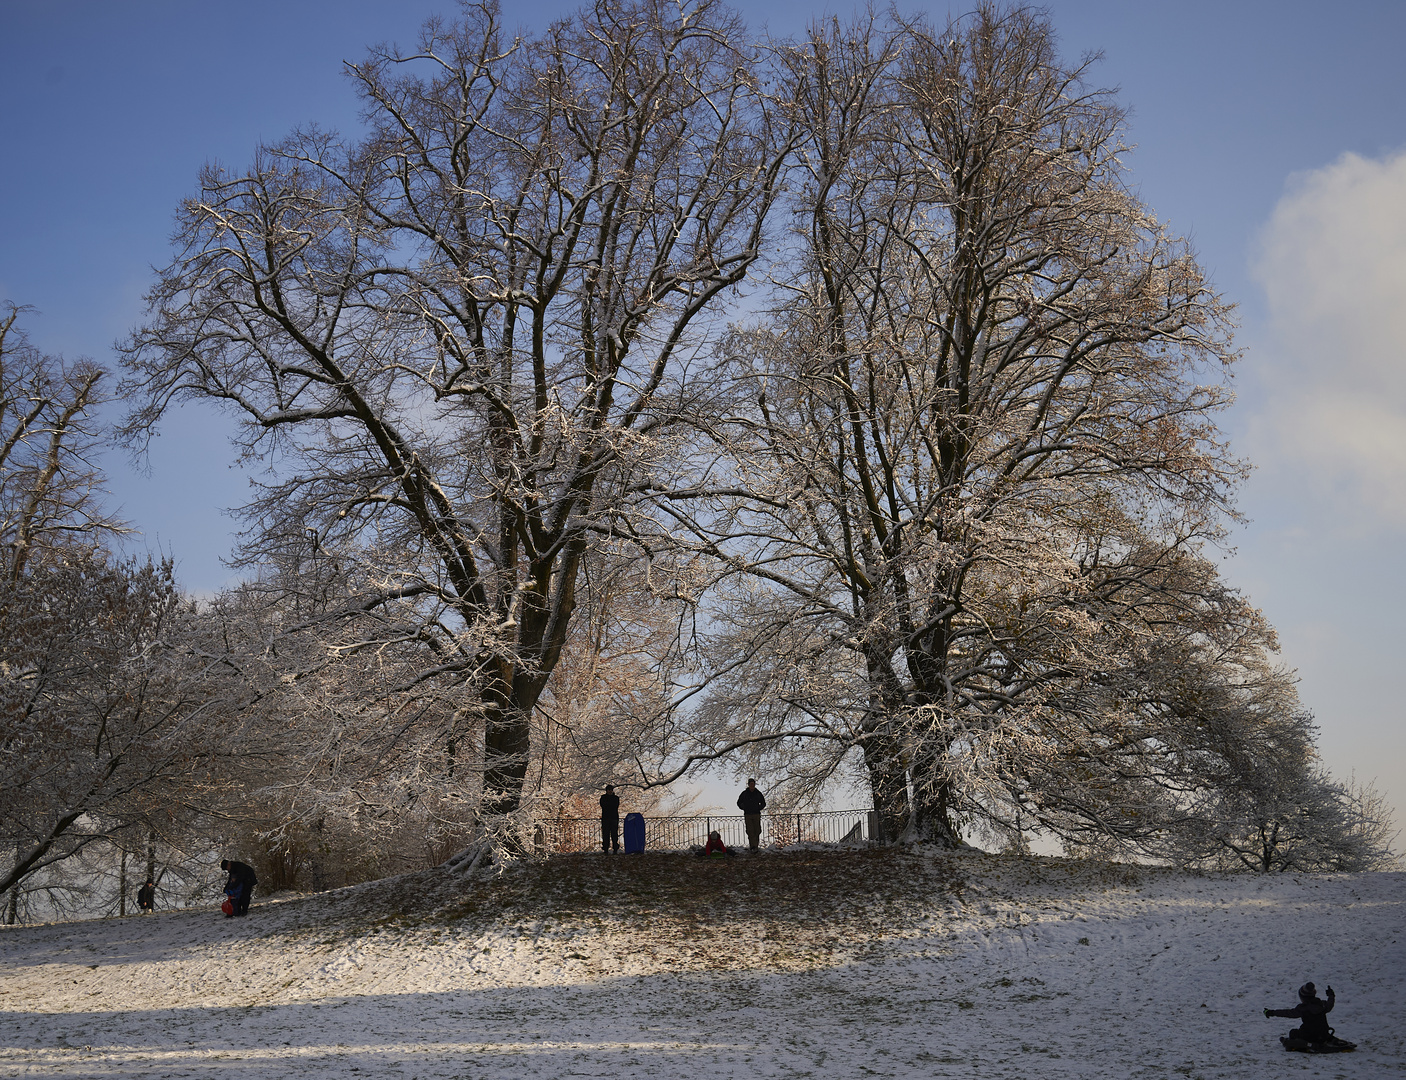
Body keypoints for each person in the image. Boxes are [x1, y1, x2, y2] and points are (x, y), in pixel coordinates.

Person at [1265, 982, 1351, 1050]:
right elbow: (1330, 1004)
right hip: (1323, 1034)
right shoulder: (1322, 1005)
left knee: (1293, 1032)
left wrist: (1272, 1012)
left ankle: (1301, 1044)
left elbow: (1288, 1013)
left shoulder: (1302, 1008)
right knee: (1319, 1031)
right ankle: (1327, 1039)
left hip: (1309, 1036)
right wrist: (1331, 995)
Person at [737, 778, 766, 852]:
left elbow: (763, 803)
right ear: (748, 785)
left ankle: (755, 845)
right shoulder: (744, 794)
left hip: (756, 814)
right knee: (750, 831)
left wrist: (758, 808)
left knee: (757, 830)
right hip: (748, 815)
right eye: (750, 784)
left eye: (753, 784)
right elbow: (739, 802)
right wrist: (744, 808)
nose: (752, 785)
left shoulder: (758, 793)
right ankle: (752, 846)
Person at [600, 784, 621, 854]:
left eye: (610, 790)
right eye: (608, 790)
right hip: (607, 818)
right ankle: (606, 848)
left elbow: (613, 806)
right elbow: (604, 806)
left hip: (612, 818)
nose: (609, 791)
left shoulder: (615, 798)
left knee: (614, 834)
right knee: (606, 834)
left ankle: (615, 848)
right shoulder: (604, 798)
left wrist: (608, 806)